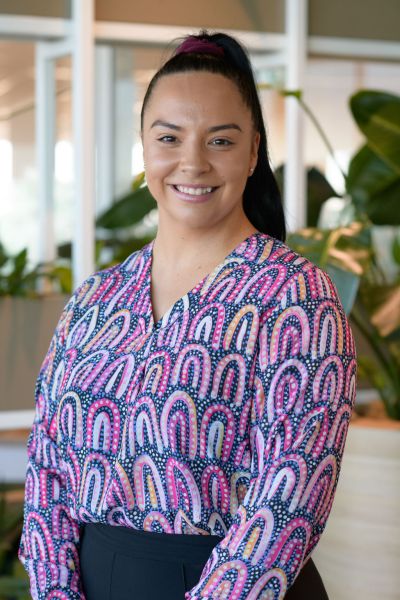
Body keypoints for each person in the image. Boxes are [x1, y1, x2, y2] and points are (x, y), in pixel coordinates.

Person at [19, 30, 357, 600]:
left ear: (253, 152)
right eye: (169, 137)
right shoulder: (94, 298)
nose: (192, 162)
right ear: (146, 148)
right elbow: (46, 475)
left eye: (220, 141)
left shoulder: (297, 297)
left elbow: (288, 503)